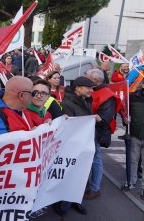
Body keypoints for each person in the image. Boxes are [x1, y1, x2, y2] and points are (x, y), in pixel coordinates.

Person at [58, 76, 97, 217]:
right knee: (70, 176)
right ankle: (63, 206)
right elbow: (71, 125)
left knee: (82, 176)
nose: (91, 91)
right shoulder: (68, 103)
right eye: (89, 88)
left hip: (84, 145)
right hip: (74, 147)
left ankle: (75, 201)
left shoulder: (85, 101)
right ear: (78, 88)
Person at [85, 69, 120, 199]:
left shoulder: (107, 95)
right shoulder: (95, 91)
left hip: (97, 132)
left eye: (86, 77)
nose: (84, 78)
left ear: (95, 80)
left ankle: (95, 188)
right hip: (90, 131)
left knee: (96, 160)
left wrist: (86, 117)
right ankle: (90, 186)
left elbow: (105, 118)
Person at [128, 87, 144, 200]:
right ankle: (131, 182)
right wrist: (126, 119)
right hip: (135, 134)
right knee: (134, 159)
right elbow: (126, 112)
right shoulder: (133, 97)